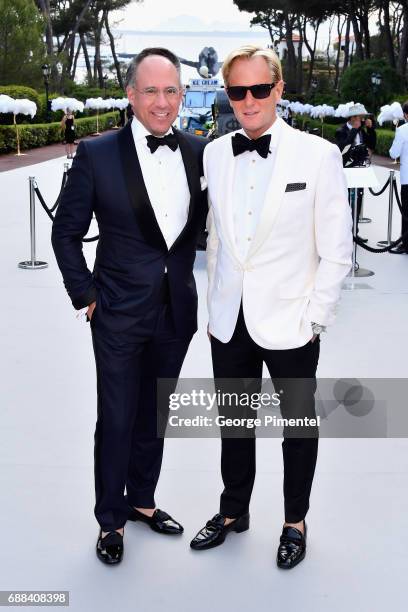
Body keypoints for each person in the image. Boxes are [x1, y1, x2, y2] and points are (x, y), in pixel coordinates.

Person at [190, 45, 353, 569]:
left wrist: (315, 320)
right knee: (233, 424)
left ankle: (294, 521)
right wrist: (216, 310)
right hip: (229, 320)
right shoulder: (215, 153)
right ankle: (235, 510)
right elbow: (217, 240)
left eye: (260, 89)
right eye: (238, 91)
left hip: (292, 322)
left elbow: (337, 250)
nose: (249, 100)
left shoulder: (317, 155)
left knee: (297, 428)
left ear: (279, 89)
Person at [52, 47, 207, 565]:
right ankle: (110, 520)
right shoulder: (97, 154)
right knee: (116, 418)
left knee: (154, 418)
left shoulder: (198, 151)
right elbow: (65, 233)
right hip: (116, 313)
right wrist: (88, 298)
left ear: (181, 95)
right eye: (150, 91)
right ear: (130, 94)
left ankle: (142, 501)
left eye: (170, 91)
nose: (161, 103)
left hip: (175, 313)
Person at [335, 104, 377, 241]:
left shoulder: (361, 131)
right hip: (346, 171)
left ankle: (354, 232)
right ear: (353, 118)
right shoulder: (341, 131)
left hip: (359, 171)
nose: (363, 120)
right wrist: (353, 130)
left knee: (358, 201)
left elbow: (372, 144)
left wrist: (371, 129)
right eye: (360, 117)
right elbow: (343, 149)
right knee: (345, 203)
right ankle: (343, 233)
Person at [389, 101, 408, 254]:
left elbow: (394, 153)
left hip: (407, 178)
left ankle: (405, 244)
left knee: (406, 213)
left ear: (405, 115)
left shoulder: (402, 130)